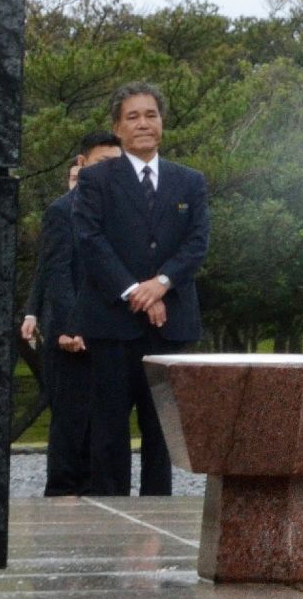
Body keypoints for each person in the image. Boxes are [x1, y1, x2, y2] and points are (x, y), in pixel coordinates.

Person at [73, 82, 211, 496]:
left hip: (170, 325)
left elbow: (197, 242)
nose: (143, 124)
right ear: (117, 127)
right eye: (132, 117)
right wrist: (136, 291)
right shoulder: (96, 179)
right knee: (110, 430)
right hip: (113, 325)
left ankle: (157, 519)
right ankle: (112, 521)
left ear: (162, 123)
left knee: (162, 431)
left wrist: (161, 284)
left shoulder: (189, 181)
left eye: (151, 115)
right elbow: (90, 241)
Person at [23, 131, 123, 495]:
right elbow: (57, 273)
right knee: (70, 423)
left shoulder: (122, 213)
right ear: (82, 164)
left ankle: (102, 502)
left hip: (110, 337)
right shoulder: (62, 211)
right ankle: (62, 500)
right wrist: (69, 326)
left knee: (105, 427)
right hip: (71, 337)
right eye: (102, 163)